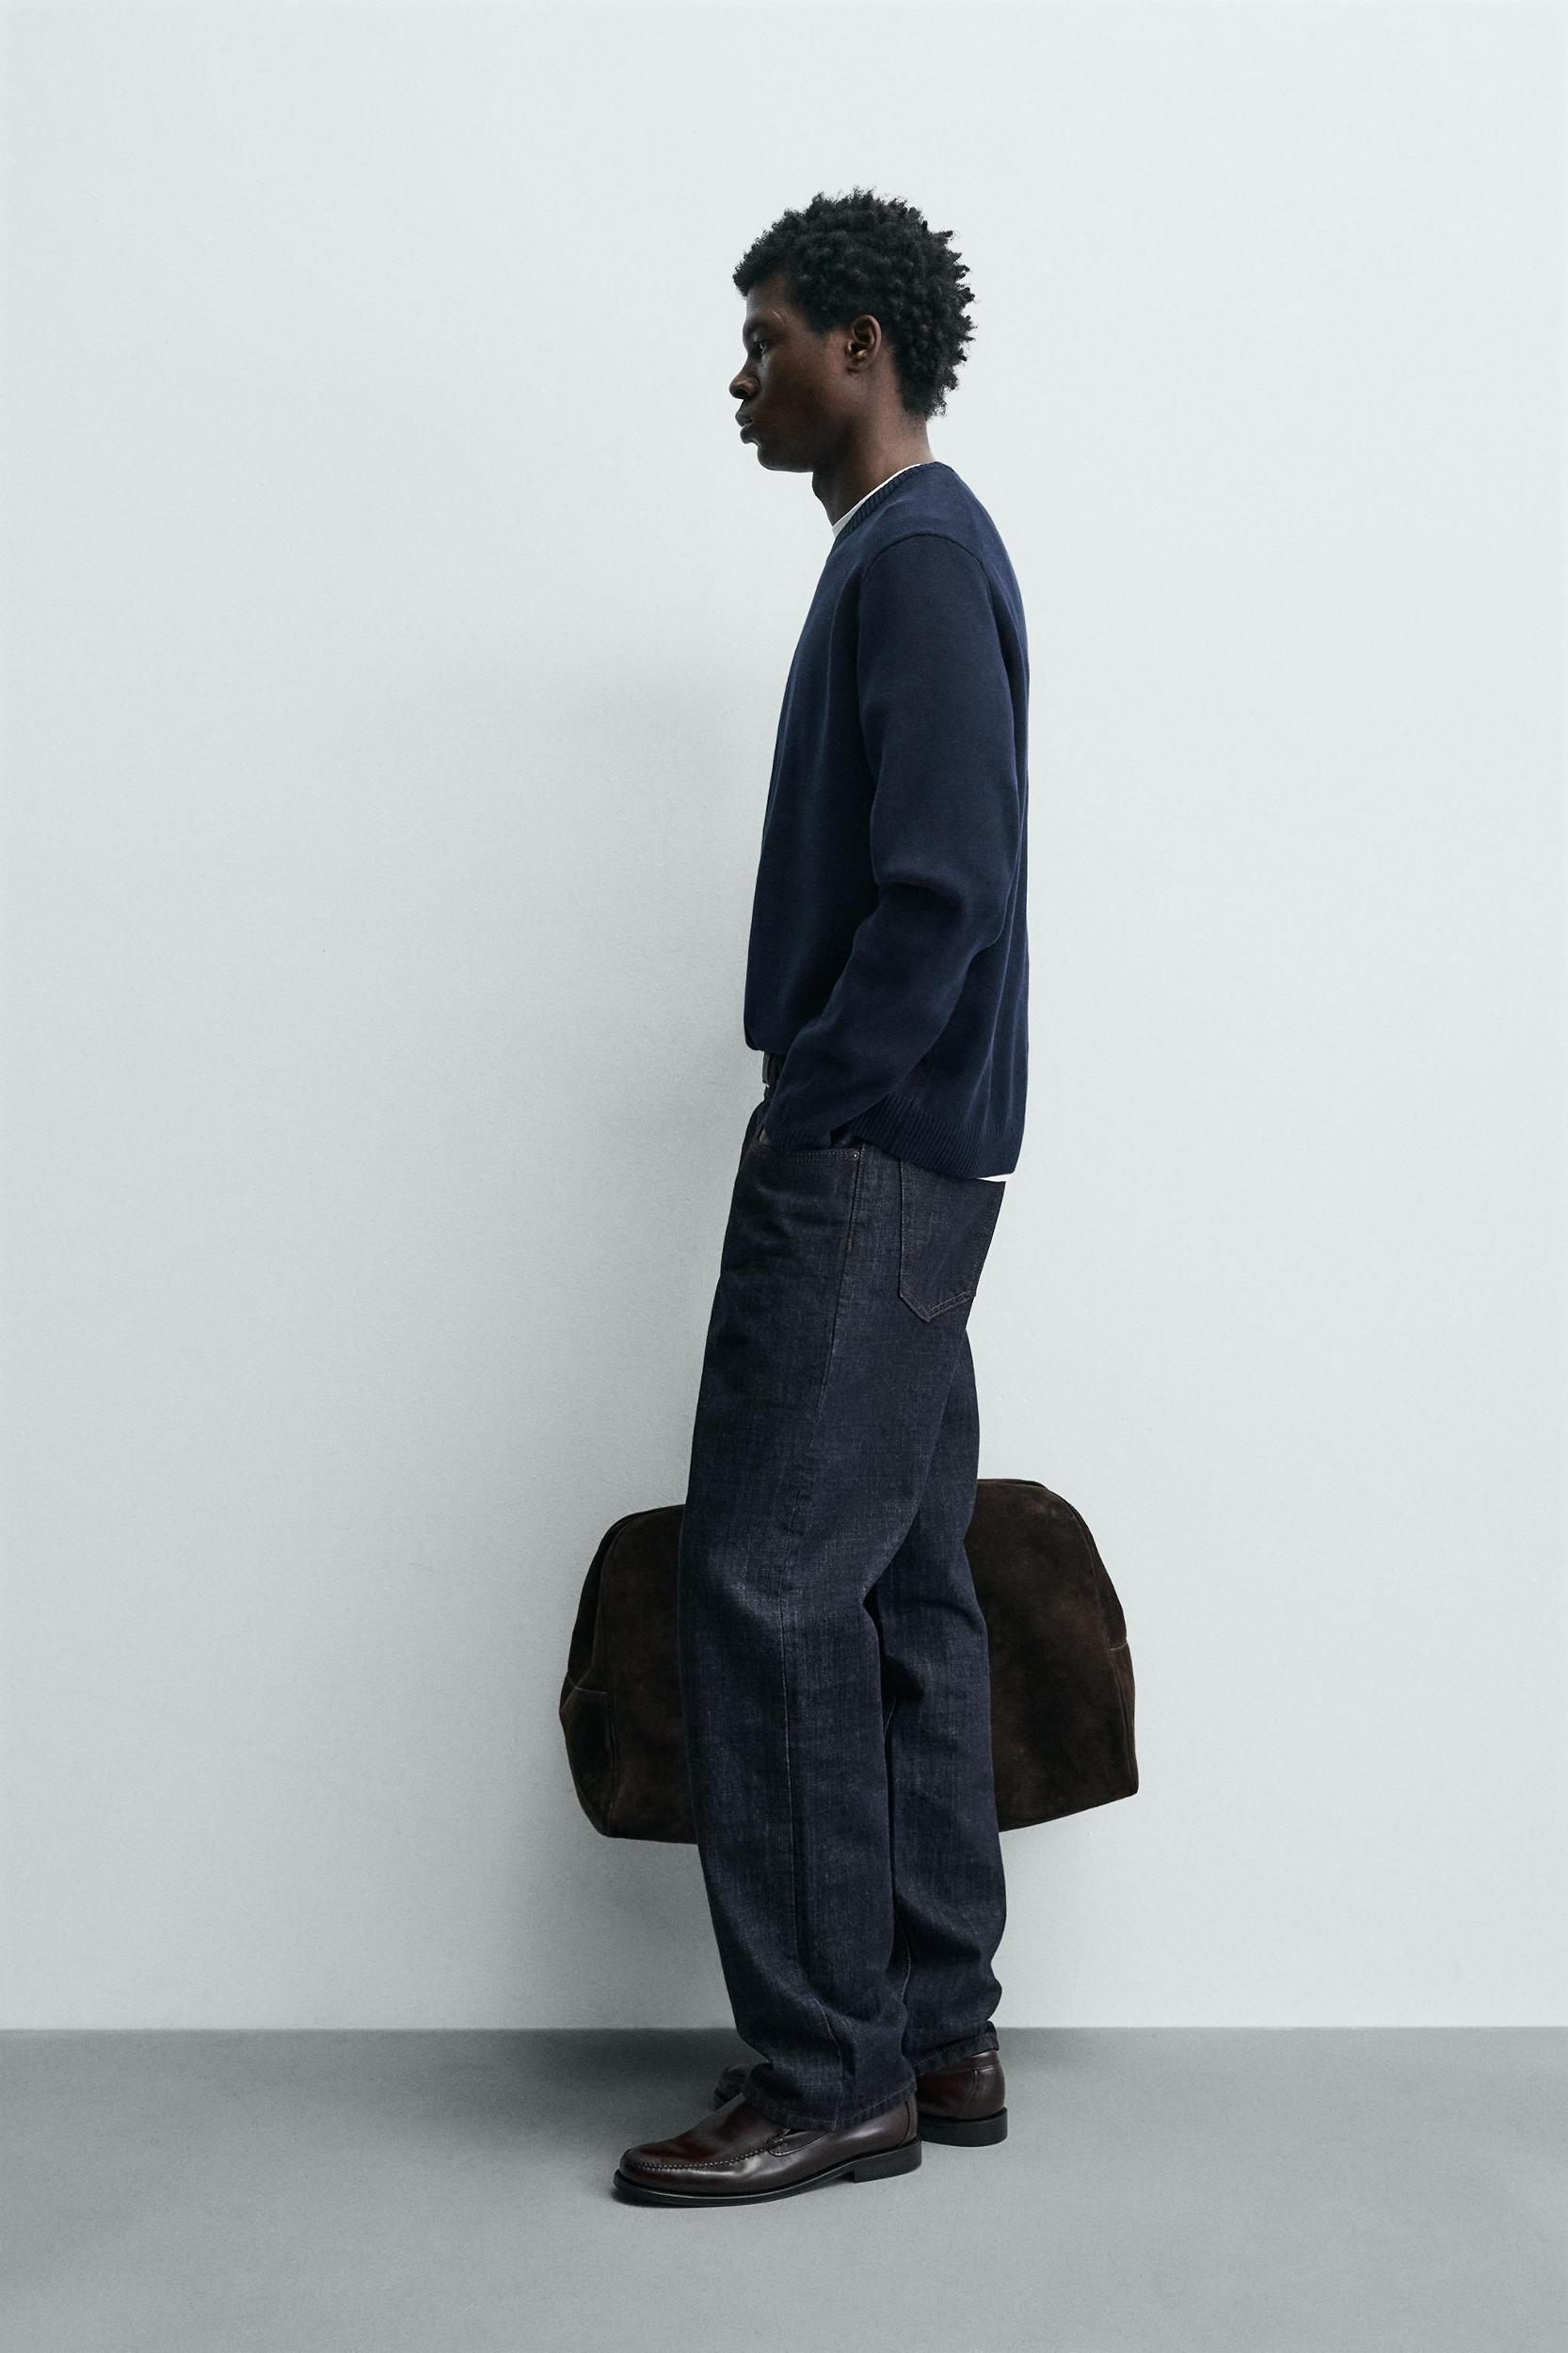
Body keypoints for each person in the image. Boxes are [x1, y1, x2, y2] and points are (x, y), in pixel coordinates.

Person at [614, 187, 1030, 2206]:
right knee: (899, 1580)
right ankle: (934, 2034)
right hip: (917, 1157)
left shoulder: (918, 557)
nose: (740, 376)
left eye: (766, 338)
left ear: (858, 344)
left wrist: (817, 1112)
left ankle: (822, 2075)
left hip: (869, 1163)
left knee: (768, 1586)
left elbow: (947, 891)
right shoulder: (906, 552)